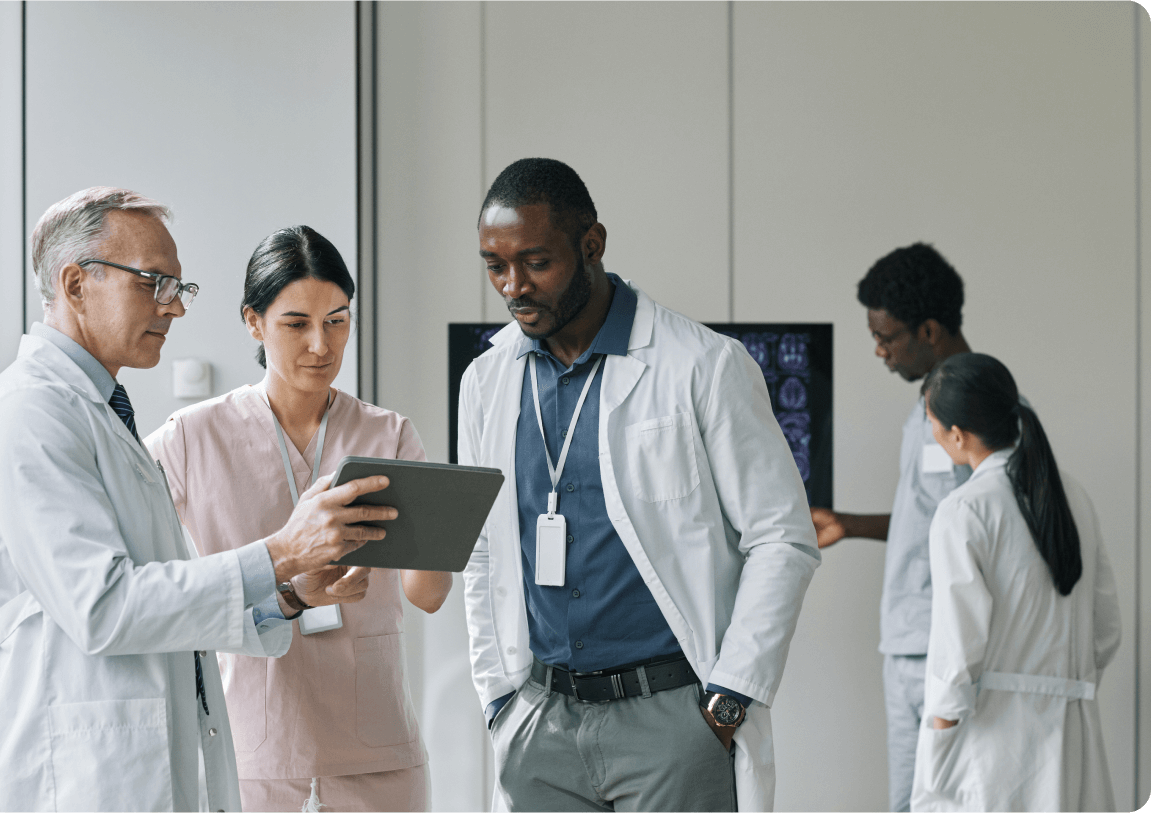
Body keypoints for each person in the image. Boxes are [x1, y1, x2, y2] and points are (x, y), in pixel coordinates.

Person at [0, 188, 396, 813]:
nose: (173, 308)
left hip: (146, 768)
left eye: (178, 288)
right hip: (80, 777)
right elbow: (104, 608)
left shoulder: (103, 414)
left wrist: (290, 593)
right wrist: (280, 551)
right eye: (153, 283)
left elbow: (167, 600)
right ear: (75, 285)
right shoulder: (28, 414)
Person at [458, 158, 820, 812]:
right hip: (540, 719)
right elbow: (480, 550)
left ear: (592, 245)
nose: (513, 286)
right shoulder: (486, 380)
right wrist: (500, 701)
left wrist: (730, 696)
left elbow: (782, 538)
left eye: (536, 261)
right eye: (494, 265)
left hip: (671, 720)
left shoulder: (702, 366)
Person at [146, 225, 451, 813]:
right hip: (252, 751)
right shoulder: (190, 438)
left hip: (377, 748)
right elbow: (149, 583)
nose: (321, 344)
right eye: (296, 323)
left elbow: (428, 597)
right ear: (253, 322)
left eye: (338, 321)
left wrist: (442, 530)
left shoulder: (388, 434)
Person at [911, 353, 1119, 812]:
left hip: (993, 747)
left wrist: (937, 751)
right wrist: (1058, 686)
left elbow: (958, 651)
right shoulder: (1074, 496)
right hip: (1075, 738)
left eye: (931, 422)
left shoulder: (964, 510)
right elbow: (1106, 630)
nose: (932, 434)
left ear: (957, 434)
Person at [811, 243, 974, 812]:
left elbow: (982, 533)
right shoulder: (928, 406)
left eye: (886, 337)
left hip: (944, 647)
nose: (879, 352)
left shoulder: (974, 412)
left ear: (928, 330)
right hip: (911, 644)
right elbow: (932, 521)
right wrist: (848, 526)